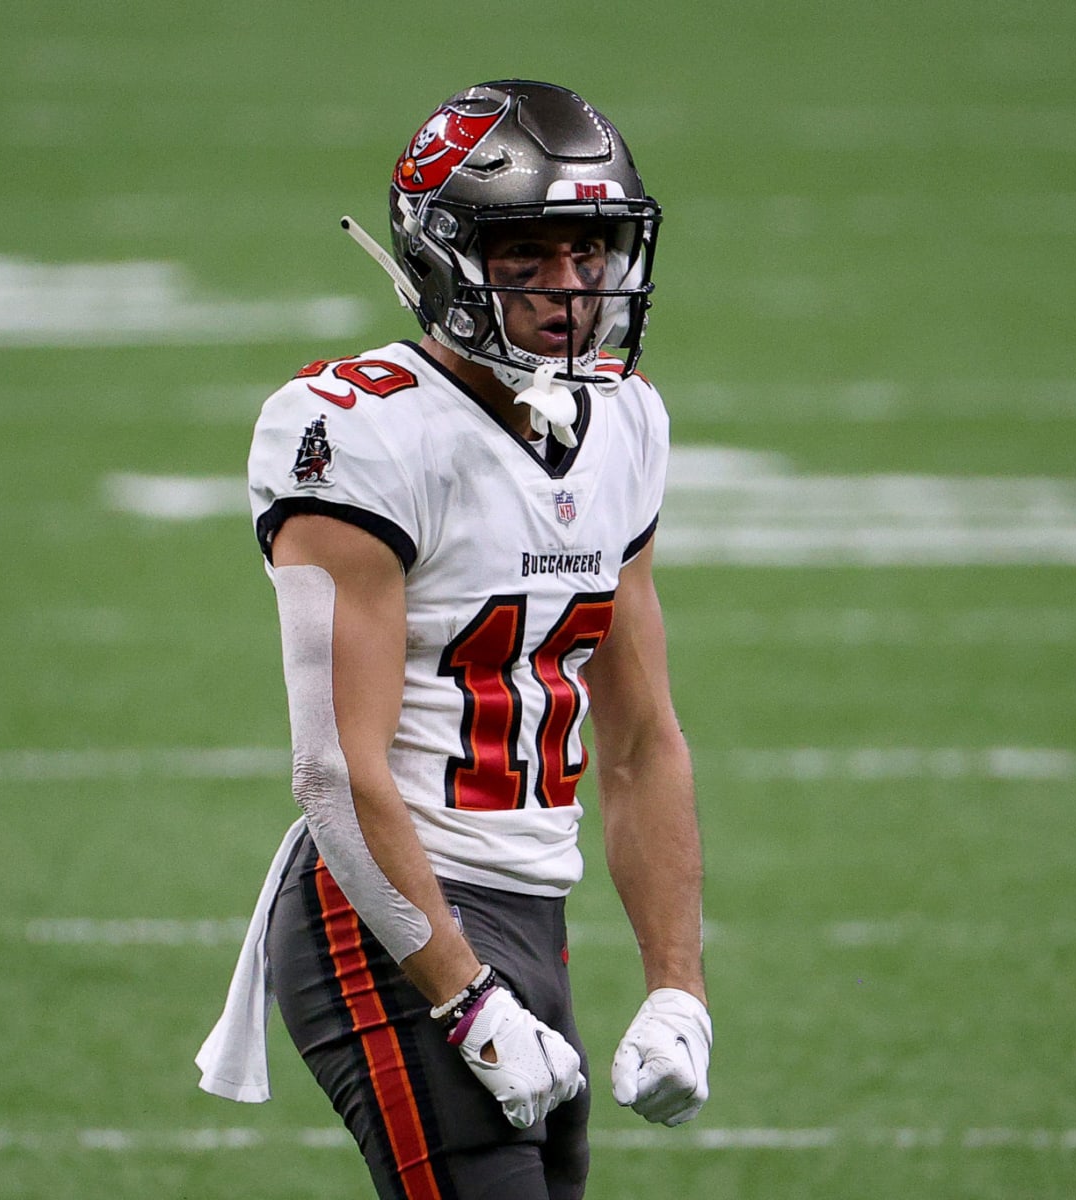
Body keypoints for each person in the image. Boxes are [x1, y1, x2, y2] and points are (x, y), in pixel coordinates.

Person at [196, 79, 711, 1200]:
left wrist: (679, 987)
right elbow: (335, 774)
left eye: (592, 251)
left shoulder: (623, 420)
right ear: (443, 255)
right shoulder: (356, 431)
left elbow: (639, 744)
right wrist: (464, 996)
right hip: (387, 914)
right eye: (530, 253)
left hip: (532, 904)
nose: (573, 288)